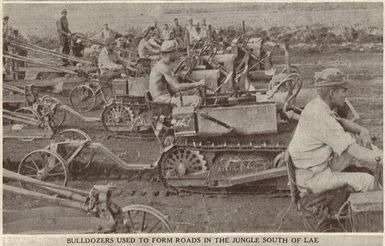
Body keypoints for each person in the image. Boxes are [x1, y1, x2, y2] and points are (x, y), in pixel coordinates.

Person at [288, 68, 383, 195]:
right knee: (369, 181)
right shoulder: (322, 118)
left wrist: (361, 130)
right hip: (313, 178)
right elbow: (356, 152)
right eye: (343, 91)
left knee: (354, 139)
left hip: (313, 167)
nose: (346, 95)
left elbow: (340, 121)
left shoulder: (317, 105)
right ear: (332, 93)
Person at [149, 40, 204, 107]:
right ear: (170, 53)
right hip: (163, 100)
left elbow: (172, 87)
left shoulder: (165, 64)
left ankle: (190, 114)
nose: (177, 54)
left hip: (167, 95)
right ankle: (186, 115)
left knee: (195, 91)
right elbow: (176, 87)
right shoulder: (163, 67)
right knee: (196, 100)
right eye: (175, 52)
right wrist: (197, 83)